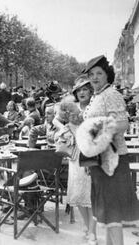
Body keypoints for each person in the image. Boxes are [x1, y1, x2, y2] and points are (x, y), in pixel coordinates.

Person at [81, 55, 139, 245]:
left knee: (113, 216)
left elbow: (123, 124)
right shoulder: (98, 96)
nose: (95, 78)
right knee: (107, 216)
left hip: (113, 161)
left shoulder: (111, 94)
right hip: (100, 161)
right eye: (91, 74)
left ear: (108, 75)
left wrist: (97, 132)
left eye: (99, 73)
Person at [57, 75, 97, 244]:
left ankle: (93, 232)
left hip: (92, 151)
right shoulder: (70, 107)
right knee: (79, 192)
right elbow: (55, 119)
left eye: (85, 89)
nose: (82, 92)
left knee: (93, 194)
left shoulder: (95, 107)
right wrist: (65, 130)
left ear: (90, 90)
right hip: (75, 155)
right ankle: (87, 226)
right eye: (79, 90)